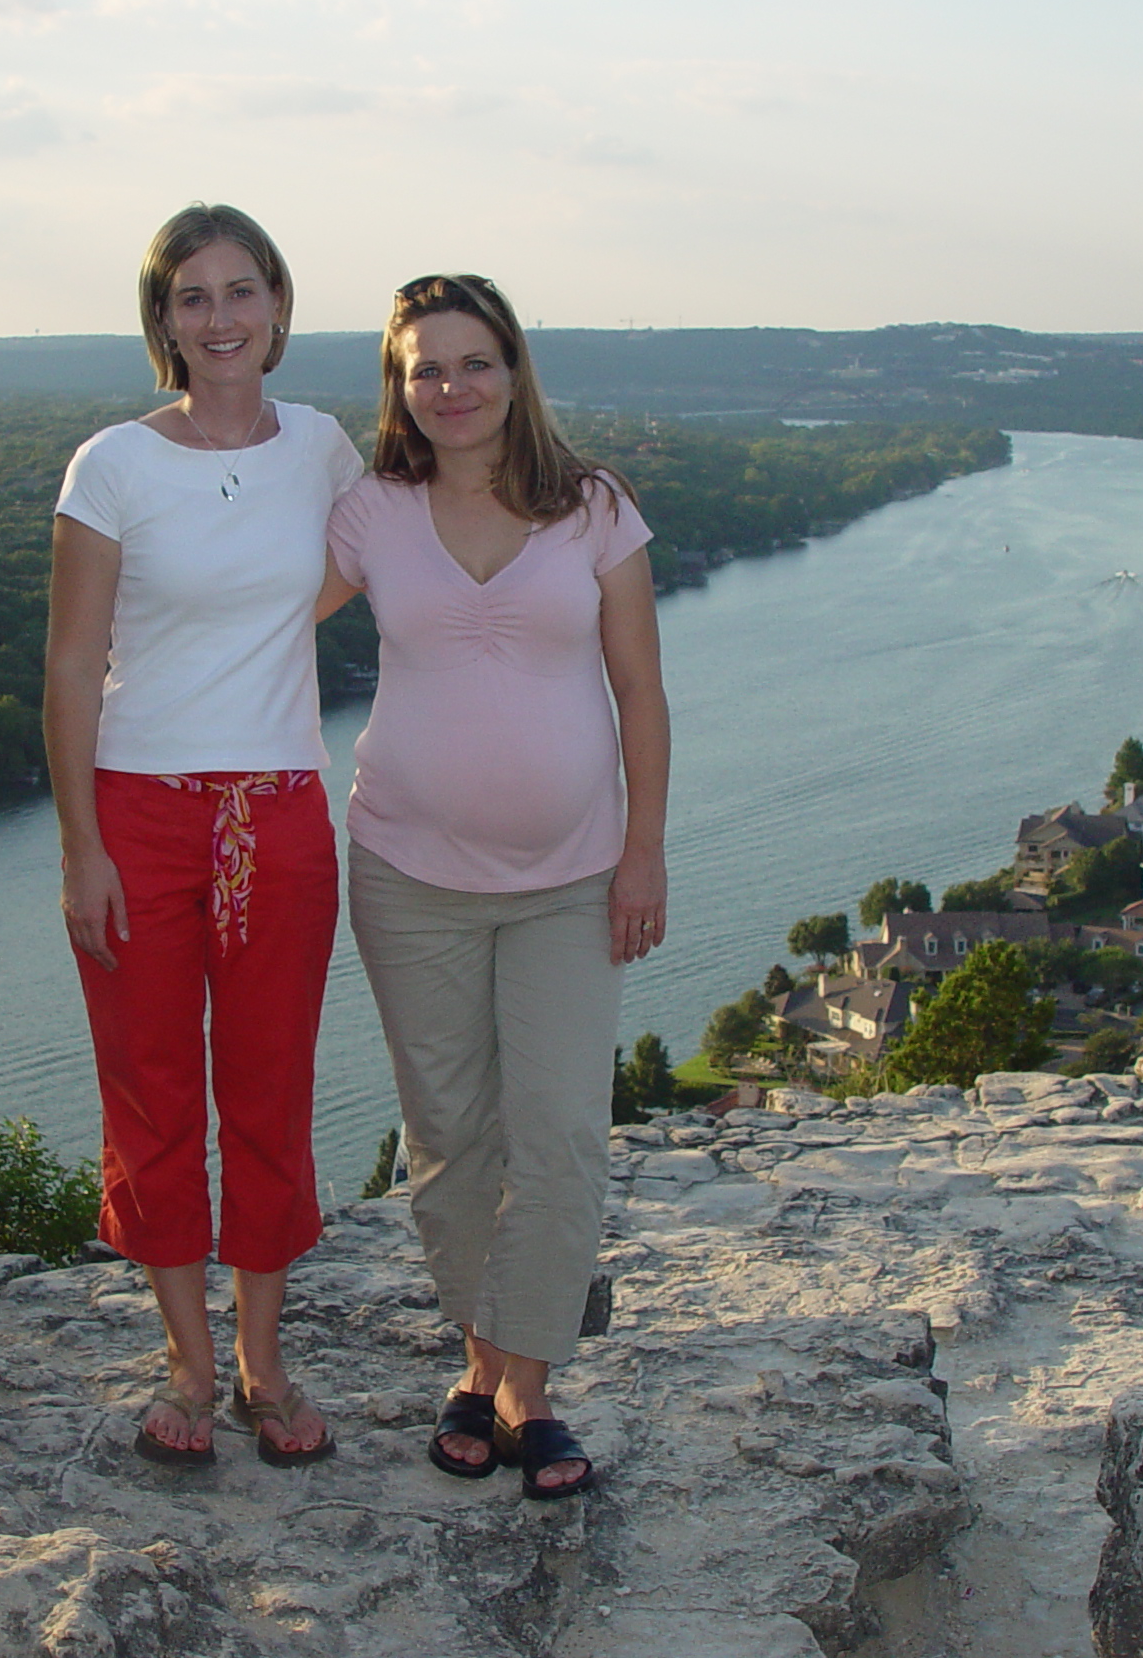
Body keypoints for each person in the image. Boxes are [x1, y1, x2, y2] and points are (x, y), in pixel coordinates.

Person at [320, 273, 670, 1500]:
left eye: (474, 363)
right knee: (451, 1137)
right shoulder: (369, 513)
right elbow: (248, 628)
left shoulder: (592, 511)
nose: (452, 388)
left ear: (514, 372)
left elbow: (641, 692)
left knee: (564, 1135)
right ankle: (486, 1373)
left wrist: (645, 851)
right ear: (398, 388)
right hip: (405, 871)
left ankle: (526, 1391)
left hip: (573, 877)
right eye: (426, 368)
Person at [43, 203, 363, 1469]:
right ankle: (185, 1358)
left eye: (242, 291)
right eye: (192, 296)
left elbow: (382, 553)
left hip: (279, 814)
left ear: (279, 309)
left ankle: (261, 1361)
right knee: (155, 1092)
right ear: (161, 320)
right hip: (139, 813)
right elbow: (71, 669)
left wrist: (278, 624)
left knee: (272, 1092)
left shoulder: (327, 448)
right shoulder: (112, 463)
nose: (219, 317)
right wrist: (81, 848)